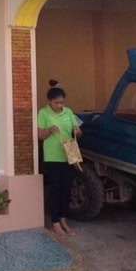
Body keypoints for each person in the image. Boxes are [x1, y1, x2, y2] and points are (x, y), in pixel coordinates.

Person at [38, 80, 83, 237]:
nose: (59, 105)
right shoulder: (43, 113)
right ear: (50, 101)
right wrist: (49, 130)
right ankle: (55, 222)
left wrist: (77, 131)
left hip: (69, 154)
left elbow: (78, 131)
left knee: (67, 188)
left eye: (62, 103)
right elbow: (39, 135)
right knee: (55, 189)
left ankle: (64, 220)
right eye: (56, 103)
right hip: (53, 157)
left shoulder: (68, 112)